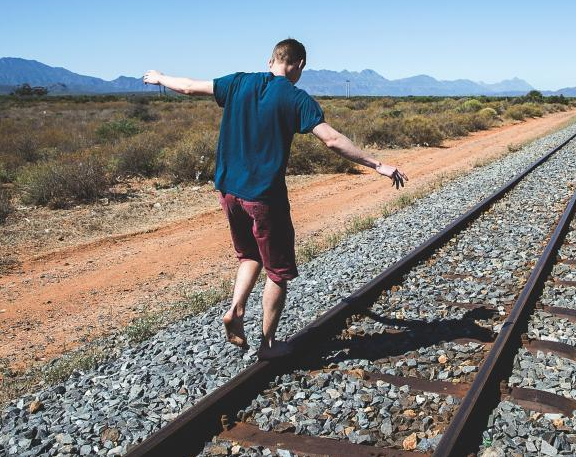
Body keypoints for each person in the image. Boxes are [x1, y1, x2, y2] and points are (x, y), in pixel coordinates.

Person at [143, 39, 407, 359]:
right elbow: (333, 140)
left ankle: (236, 311)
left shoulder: (239, 82)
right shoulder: (297, 98)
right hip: (265, 197)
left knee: (249, 256)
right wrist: (378, 165)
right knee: (278, 272)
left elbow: (186, 87)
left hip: (228, 192)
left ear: (270, 60)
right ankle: (268, 346)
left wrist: (159, 76)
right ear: (298, 65)